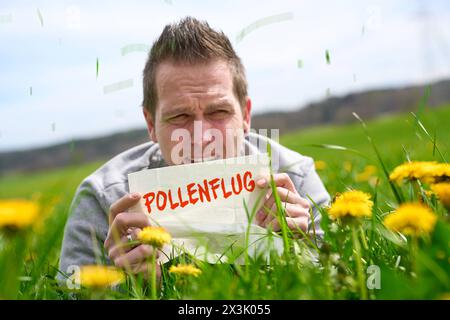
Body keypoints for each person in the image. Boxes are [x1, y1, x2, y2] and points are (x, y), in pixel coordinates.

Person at [58, 17, 330, 281]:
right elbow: (70, 290)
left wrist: (300, 251)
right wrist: (127, 285)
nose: (201, 137)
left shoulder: (294, 176)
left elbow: (342, 278)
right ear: (151, 124)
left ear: (245, 115)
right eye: (179, 117)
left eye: (219, 112)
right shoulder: (103, 196)